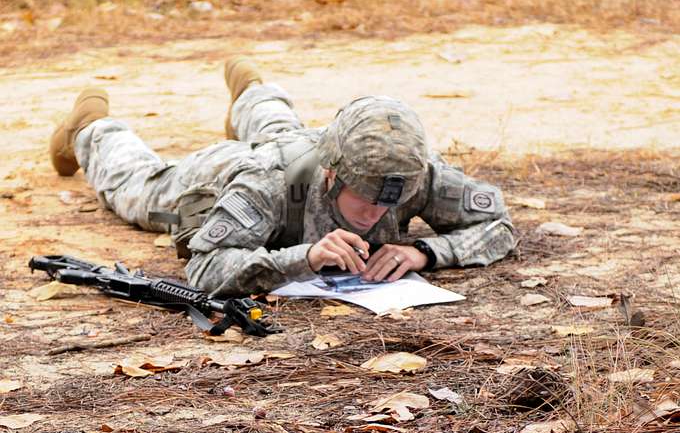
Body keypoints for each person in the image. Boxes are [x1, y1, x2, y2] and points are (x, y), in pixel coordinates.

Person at [48, 57, 516, 297]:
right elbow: (205, 267)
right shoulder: (262, 185)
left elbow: (498, 224)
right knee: (140, 190)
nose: (377, 213)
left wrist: (425, 252)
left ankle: (253, 92)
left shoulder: (411, 171)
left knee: (284, 132)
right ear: (333, 175)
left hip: (299, 148)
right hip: (222, 176)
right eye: (365, 200)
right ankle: (91, 128)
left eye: (389, 203)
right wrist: (304, 258)